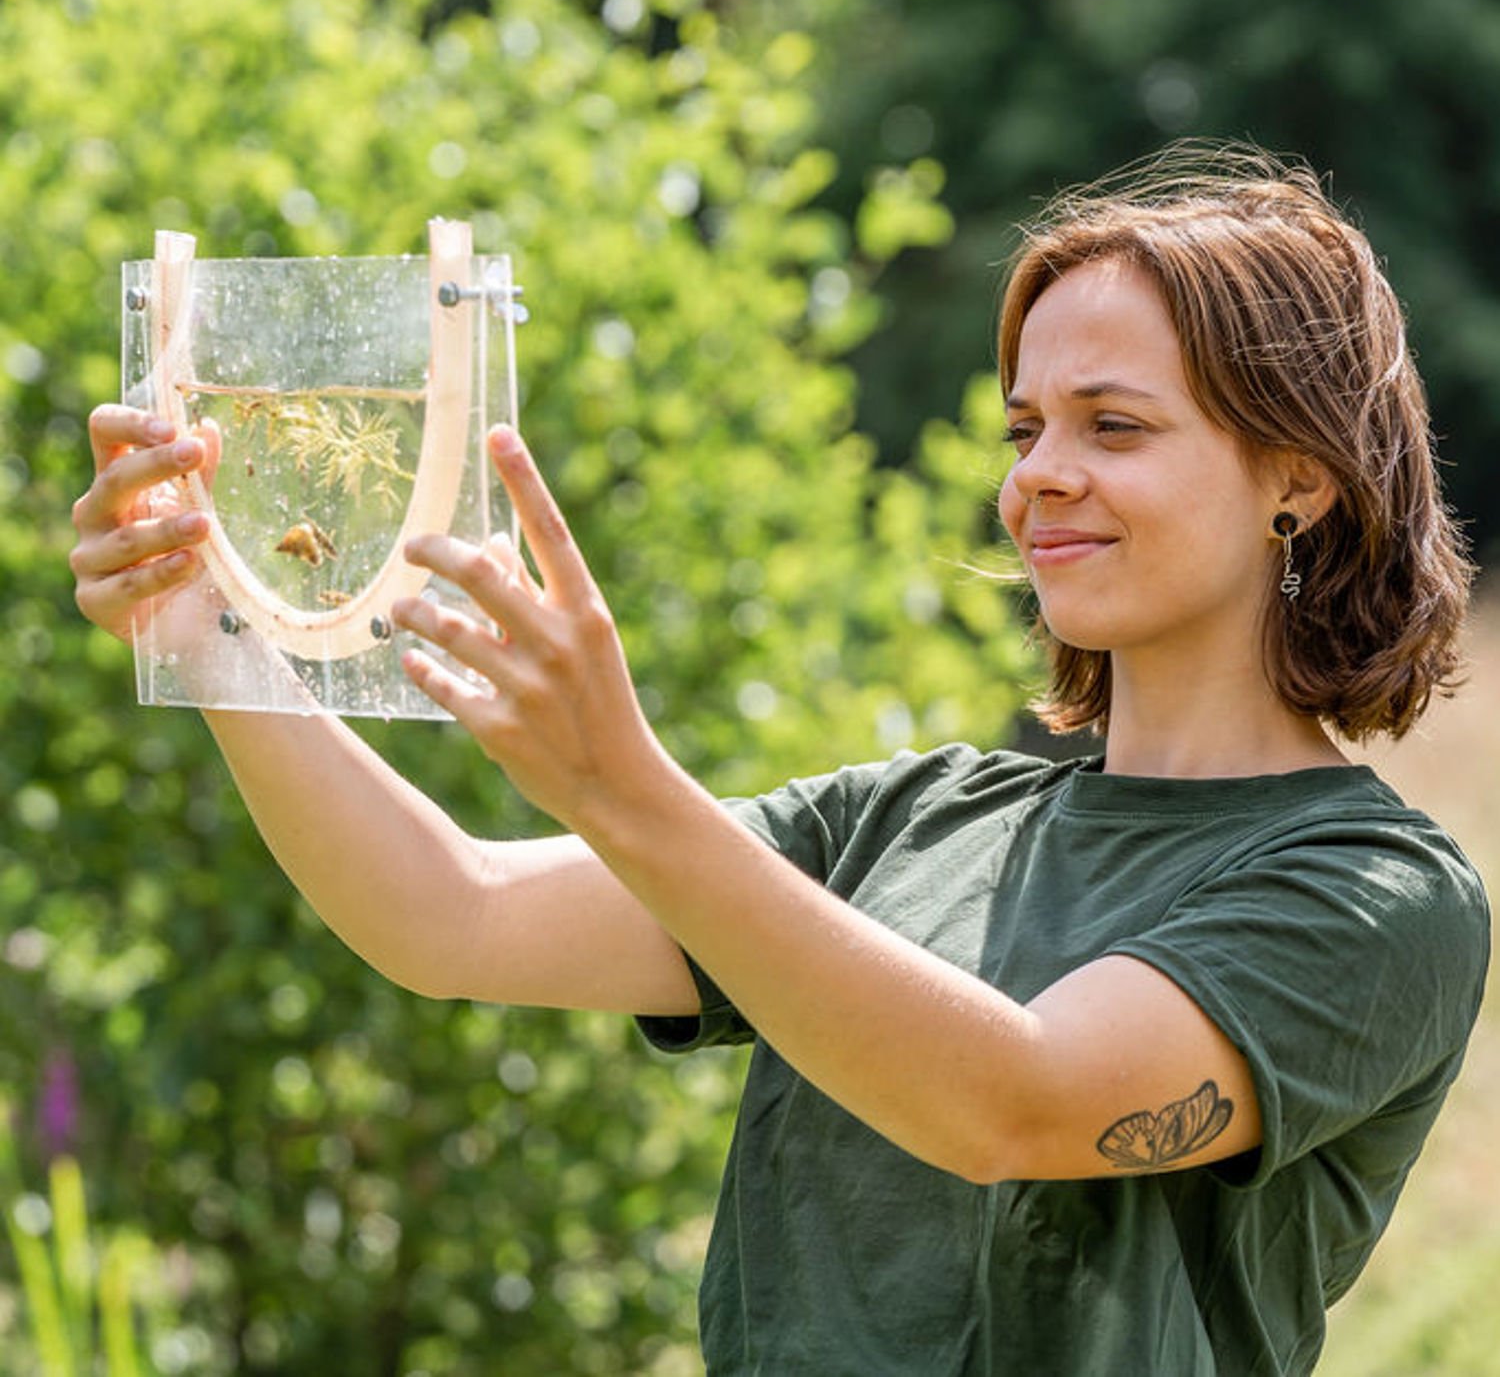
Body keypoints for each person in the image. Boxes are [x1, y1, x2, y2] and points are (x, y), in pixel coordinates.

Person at [70, 144, 1490, 1376]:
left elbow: (1016, 1103)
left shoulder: (1375, 896)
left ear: (1298, 476)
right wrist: (210, 638)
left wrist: (620, 784)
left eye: (1113, 426)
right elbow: (448, 916)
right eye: (1024, 427)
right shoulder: (909, 822)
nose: (1036, 475)